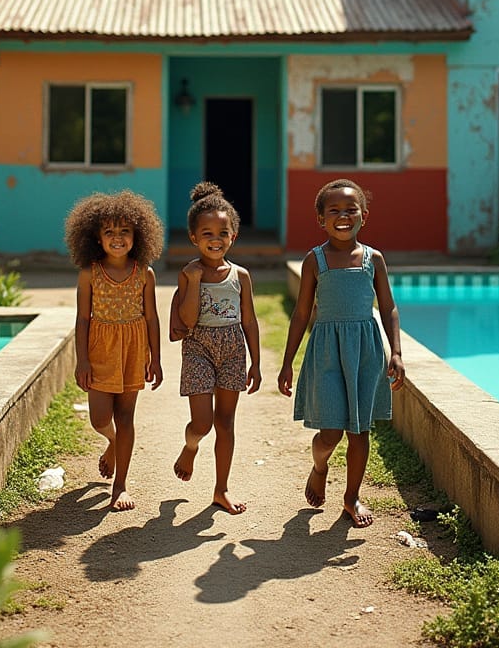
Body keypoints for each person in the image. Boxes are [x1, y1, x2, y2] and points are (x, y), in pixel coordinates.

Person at [277, 178, 404, 528]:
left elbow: (389, 307)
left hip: (365, 351)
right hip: (327, 353)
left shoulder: (373, 259)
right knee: (330, 432)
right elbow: (302, 313)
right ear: (321, 219)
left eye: (351, 209)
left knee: (359, 431)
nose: (343, 216)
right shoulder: (314, 260)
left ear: (363, 215)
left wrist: (396, 352)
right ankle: (320, 466)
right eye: (334, 210)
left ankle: (351, 497)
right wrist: (287, 362)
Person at [65, 190, 164, 511]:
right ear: (96, 237)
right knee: (99, 418)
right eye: (109, 232)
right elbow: (82, 319)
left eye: (125, 231)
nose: (117, 238)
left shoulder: (144, 272)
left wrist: (157, 358)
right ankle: (111, 442)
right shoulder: (88, 273)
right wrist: (82, 359)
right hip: (99, 349)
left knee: (125, 417)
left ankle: (120, 485)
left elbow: (151, 317)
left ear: (139, 235)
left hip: (133, 349)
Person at [169, 182, 261, 514]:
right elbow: (189, 319)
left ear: (233, 235)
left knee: (225, 423)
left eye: (223, 232)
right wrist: (193, 281)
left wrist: (256, 363)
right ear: (194, 237)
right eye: (206, 233)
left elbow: (249, 321)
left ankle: (221, 490)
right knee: (203, 424)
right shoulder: (188, 274)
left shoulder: (241, 276)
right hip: (199, 347)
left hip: (233, 349)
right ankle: (191, 446)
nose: (215, 239)